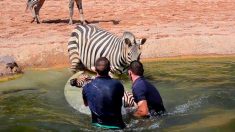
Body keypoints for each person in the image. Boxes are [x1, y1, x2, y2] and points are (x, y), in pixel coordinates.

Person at [82, 57, 126, 129]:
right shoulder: (118, 84)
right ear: (110, 69)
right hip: (117, 126)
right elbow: (120, 98)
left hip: (97, 127)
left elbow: (86, 104)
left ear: (95, 70)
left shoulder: (86, 87)